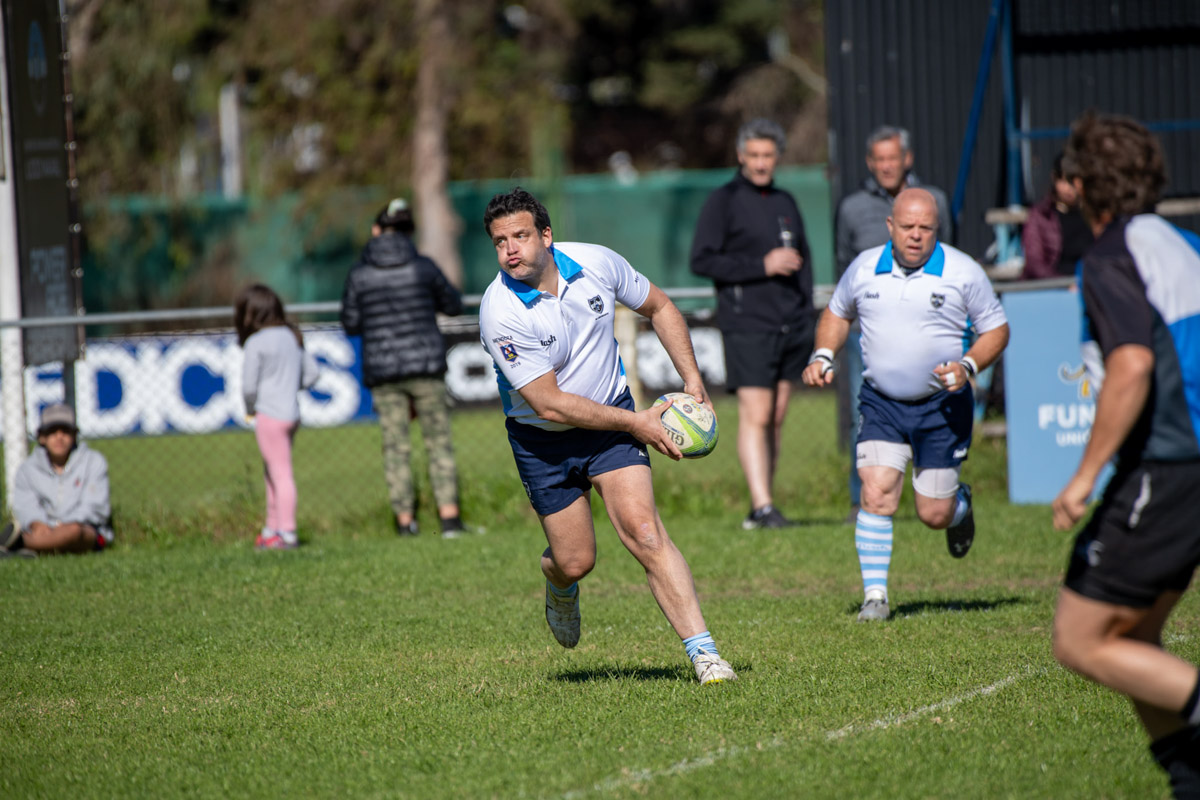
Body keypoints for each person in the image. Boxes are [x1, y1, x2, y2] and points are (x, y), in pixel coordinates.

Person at [478, 187, 736, 685]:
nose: (510, 249)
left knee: (645, 532)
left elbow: (659, 307)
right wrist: (639, 422)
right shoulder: (500, 313)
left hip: (610, 422)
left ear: (546, 236)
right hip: (543, 439)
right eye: (500, 241)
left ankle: (705, 656)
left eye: (521, 236)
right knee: (576, 561)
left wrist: (694, 382)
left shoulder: (596, 263)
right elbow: (549, 403)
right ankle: (559, 585)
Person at [1049, 114, 1200, 799]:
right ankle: (1188, 775)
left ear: (1082, 184)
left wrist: (1083, 477)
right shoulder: (1182, 243)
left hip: (1172, 466)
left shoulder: (1110, 258)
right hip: (1186, 465)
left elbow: (1132, 366)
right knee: (1135, 634)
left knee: (1080, 641)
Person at [802, 188, 1009, 621]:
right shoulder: (863, 267)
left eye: (926, 228)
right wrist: (823, 355)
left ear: (937, 229)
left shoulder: (962, 271)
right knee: (875, 492)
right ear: (890, 226)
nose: (916, 236)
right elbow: (837, 314)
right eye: (908, 227)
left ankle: (959, 507)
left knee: (933, 513)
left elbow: (997, 329)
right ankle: (875, 597)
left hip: (942, 405)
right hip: (881, 403)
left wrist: (969, 366)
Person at [689, 118, 814, 529]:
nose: (761, 163)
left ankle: (765, 504)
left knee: (776, 416)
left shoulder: (785, 202)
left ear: (777, 157)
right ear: (741, 155)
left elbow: (805, 260)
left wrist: (805, 313)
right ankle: (761, 506)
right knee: (756, 414)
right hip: (747, 324)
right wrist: (762, 265)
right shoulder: (722, 201)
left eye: (768, 155)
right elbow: (702, 259)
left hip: (790, 324)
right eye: (754, 155)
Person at [835, 125, 953, 523]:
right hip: (867, 333)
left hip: (927, 329)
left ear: (908, 159)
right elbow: (843, 268)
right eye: (879, 159)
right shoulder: (851, 207)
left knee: (933, 407)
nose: (887, 166)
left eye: (893, 158)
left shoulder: (934, 199)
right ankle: (863, 500)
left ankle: (935, 494)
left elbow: (949, 260)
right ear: (871, 163)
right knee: (862, 413)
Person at [340, 198, 470, 538]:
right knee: (438, 442)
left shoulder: (359, 272)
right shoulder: (423, 266)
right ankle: (450, 520)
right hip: (426, 365)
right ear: (409, 231)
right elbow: (453, 305)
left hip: (383, 371)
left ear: (376, 230)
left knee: (395, 446)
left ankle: (404, 522)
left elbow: (351, 323)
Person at [235, 283, 319, 550]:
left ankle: (287, 533)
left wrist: (250, 409)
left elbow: (249, 386)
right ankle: (272, 528)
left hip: (270, 415)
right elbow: (313, 374)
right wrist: (290, 384)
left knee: (280, 473)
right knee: (272, 471)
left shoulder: (256, 342)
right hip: (292, 415)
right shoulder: (291, 337)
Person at [1, 403, 112, 558]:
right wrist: (37, 523)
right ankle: (34, 548)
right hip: (41, 530)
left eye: (65, 431)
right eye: (52, 431)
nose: (59, 437)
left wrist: (61, 526)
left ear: (74, 435)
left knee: (73, 531)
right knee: (52, 532)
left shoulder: (94, 461)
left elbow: (95, 508)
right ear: (42, 437)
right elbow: (25, 506)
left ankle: (20, 545)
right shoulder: (27, 469)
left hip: (84, 530)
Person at [1020, 152, 1094, 280]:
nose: (1069, 189)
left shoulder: (1093, 214)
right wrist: (1063, 284)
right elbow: (1035, 263)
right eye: (1064, 181)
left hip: (1089, 283)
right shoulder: (1042, 216)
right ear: (1054, 179)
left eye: (1074, 182)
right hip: (1054, 287)